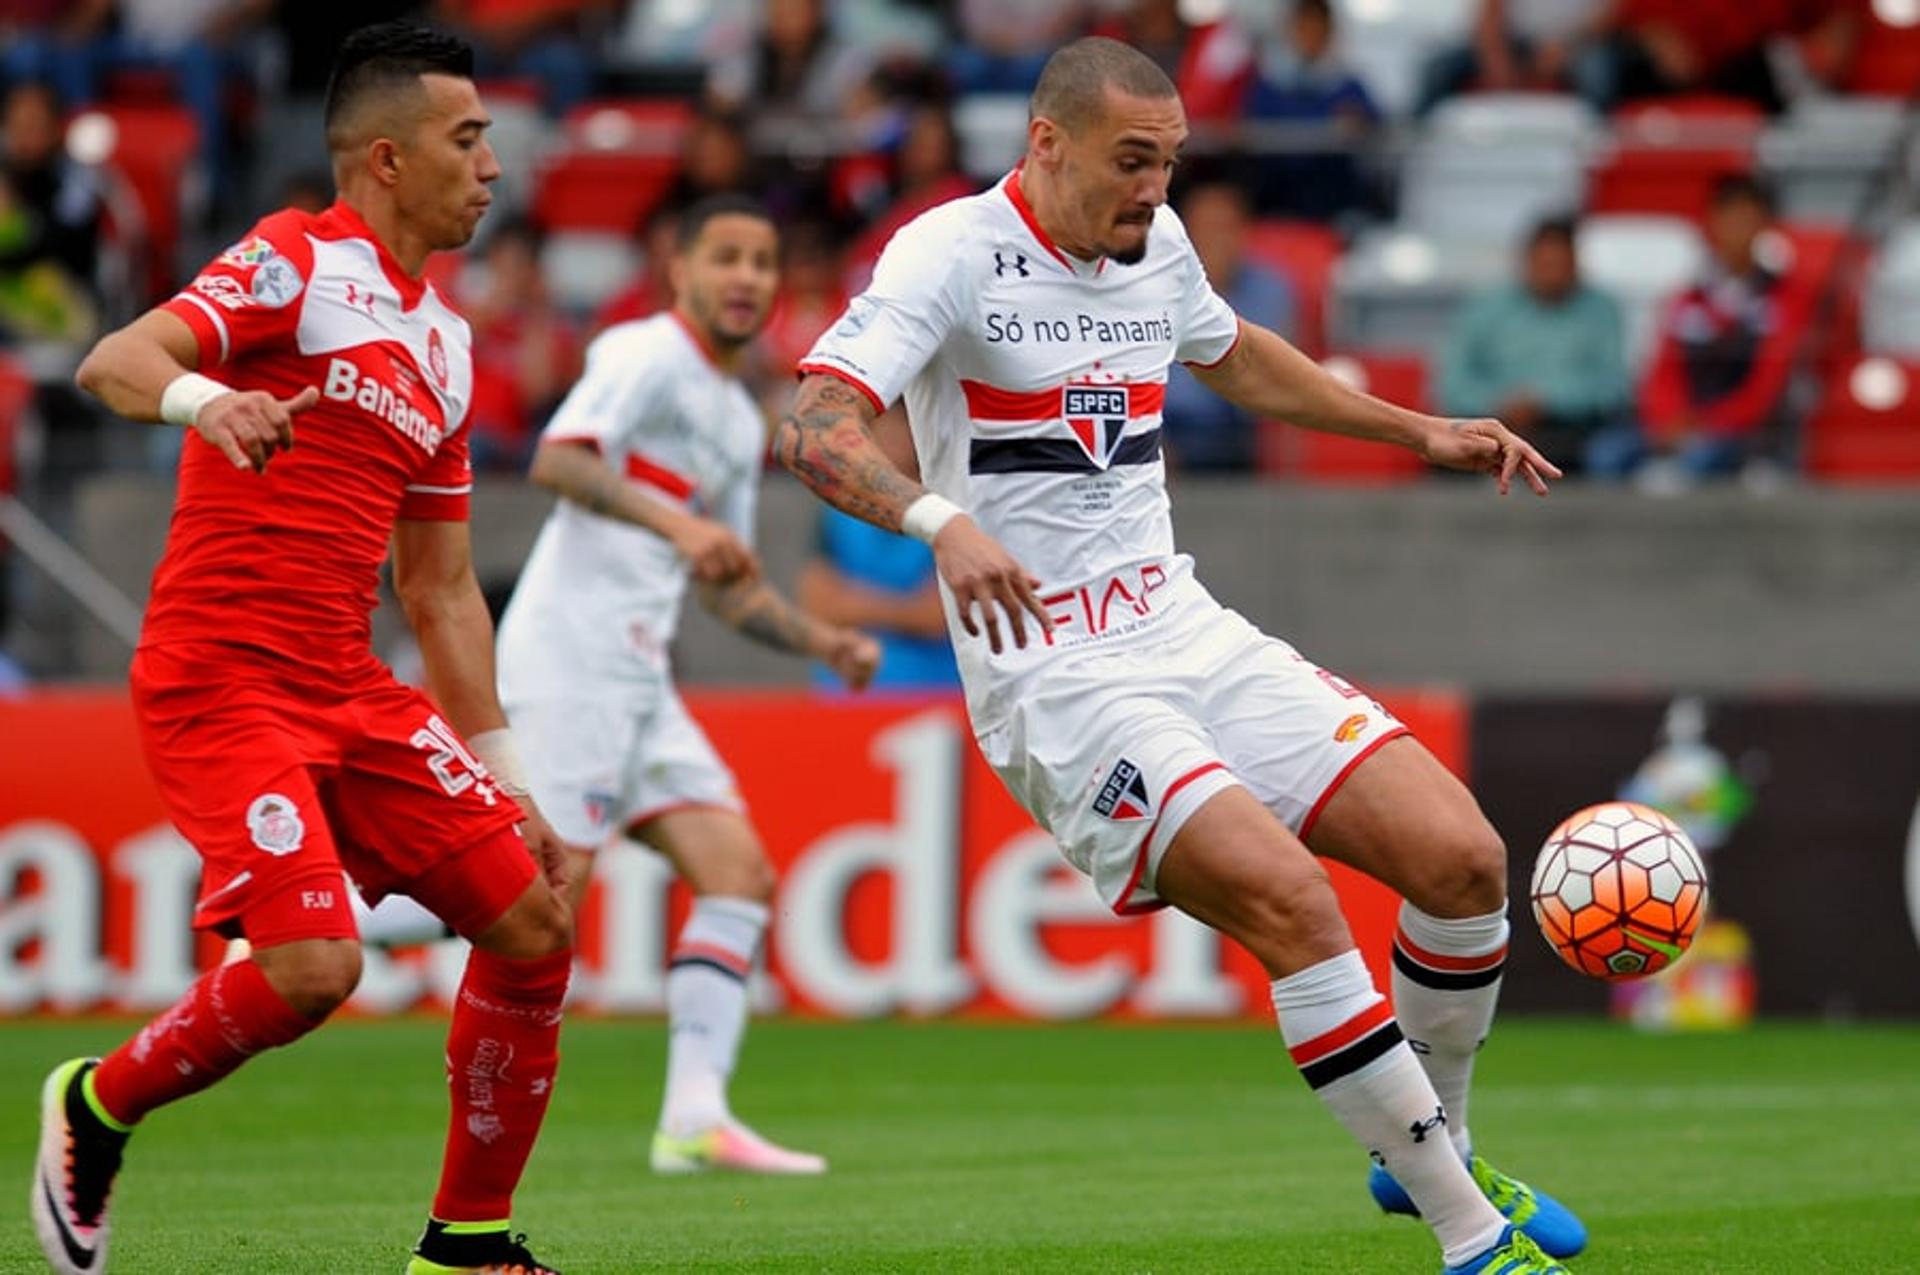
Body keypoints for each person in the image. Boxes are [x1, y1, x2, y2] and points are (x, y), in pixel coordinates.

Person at [782, 37, 1581, 1275]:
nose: (1154, 191)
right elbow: (816, 425)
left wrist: (1418, 429)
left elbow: (1233, 351)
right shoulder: (948, 255)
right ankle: (1470, 1238)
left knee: (1463, 859)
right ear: (1044, 144)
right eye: (1130, 161)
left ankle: (1433, 1149)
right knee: (1296, 906)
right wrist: (942, 525)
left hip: (1184, 626)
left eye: (1168, 162)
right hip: (1056, 674)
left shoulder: (1150, 248)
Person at [40, 24, 573, 1275]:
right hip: (223, 675)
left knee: (534, 921)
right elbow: (116, 360)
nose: (493, 164)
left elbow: (440, 587)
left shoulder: (442, 346)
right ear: (386, 159)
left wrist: (502, 765)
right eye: (468, 137)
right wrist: (206, 398)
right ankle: (97, 1104)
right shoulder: (294, 257)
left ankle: (468, 1243)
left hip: (346, 681)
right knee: (315, 967)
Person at [494, 192, 880, 1175]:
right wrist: (674, 526)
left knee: (738, 874)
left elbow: (728, 583)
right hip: (571, 657)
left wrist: (821, 641)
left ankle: (694, 1120)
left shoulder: (732, 413)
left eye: (763, 260)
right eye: (728, 258)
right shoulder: (641, 356)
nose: (748, 277)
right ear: (681, 271)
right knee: (533, 895)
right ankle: (315, 916)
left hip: (639, 675)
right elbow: (559, 461)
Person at [1637, 175, 1811, 479]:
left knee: (1695, 463)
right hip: (1682, 426)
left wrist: (1710, 423)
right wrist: (1668, 420)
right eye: (1729, 218)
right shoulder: (1686, 299)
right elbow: (1663, 371)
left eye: (1747, 220)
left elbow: (1769, 385)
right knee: (1609, 456)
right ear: (1711, 222)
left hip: (1748, 434)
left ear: (1764, 226)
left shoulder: (1787, 300)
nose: (1737, 231)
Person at [1439, 217, 1636, 478]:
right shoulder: (1485, 307)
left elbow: (1613, 387)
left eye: (1560, 265)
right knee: (1443, 450)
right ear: (1526, 261)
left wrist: (1547, 402)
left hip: (1572, 432)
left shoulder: (1601, 310)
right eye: (1544, 264)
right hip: (1490, 427)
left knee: (1606, 453)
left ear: (1576, 264)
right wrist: (1500, 404)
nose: (1551, 274)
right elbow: (1453, 383)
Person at [797, 409, 960, 692]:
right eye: (876, 433)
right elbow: (816, 605)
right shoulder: (838, 512)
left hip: (934, 694)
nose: (889, 442)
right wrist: (905, 610)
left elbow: (937, 616)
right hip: (844, 694)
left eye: (899, 432)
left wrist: (851, 604)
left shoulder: (952, 513)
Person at [1160, 179, 1295, 471]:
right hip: (1164, 430)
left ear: (1243, 233)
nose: (1214, 240)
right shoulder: (1155, 289)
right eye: (1205, 229)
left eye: (1224, 229)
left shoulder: (1270, 288)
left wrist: (1212, 288)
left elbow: (1260, 370)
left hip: (1236, 433)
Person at [1241, 0, 1380, 225]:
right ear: (1290, 30)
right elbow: (1252, 131)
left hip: (1334, 203)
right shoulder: (1268, 86)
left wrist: (1359, 124)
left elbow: (1374, 126)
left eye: (1318, 29)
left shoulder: (1349, 86)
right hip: (1274, 202)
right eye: (1304, 28)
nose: (1310, 37)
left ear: (1330, 32)